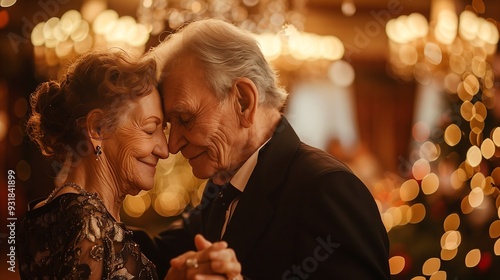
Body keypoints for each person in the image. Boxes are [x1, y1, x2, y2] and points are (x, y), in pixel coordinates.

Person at [140, 19, 391, 279]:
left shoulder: (328, 187)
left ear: (243, 101)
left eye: (185, 118)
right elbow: (151, 257)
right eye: (171, 124)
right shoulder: (223, 187)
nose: (172, 145)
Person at [18, 50, 243, 280]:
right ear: (97, 129)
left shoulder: (53, 214)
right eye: (149, 129)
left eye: (162, 130)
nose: (165, 150)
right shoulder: (87, 224)